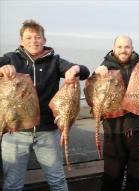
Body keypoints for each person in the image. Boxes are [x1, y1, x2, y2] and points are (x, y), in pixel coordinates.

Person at [0, 19, 90, 191]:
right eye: (28, 37)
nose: (34, 40)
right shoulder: (11, 58)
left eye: (37, 37)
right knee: (12, 184)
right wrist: (2, 69)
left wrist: (75, 69)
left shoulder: (55, 61)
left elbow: (85, 71)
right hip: (15, 132)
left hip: (47, 131)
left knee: (57, 180)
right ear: (21, 41)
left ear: (44, 40)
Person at [94, 35, 139, 191]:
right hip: (114, 131)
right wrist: (95, 75)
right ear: (113, 48)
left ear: (132, 48)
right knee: (111, 178)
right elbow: (94, 95)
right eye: (119, 47)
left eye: (127, 47)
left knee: (137, 177)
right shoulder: (105, 67)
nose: (123, 50)